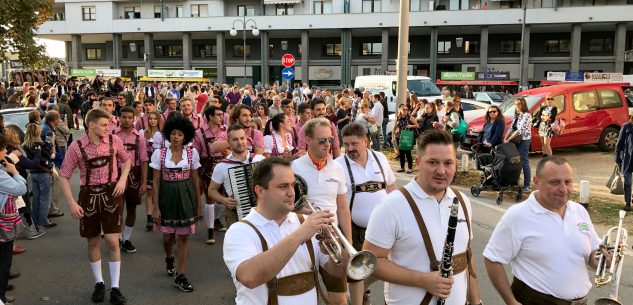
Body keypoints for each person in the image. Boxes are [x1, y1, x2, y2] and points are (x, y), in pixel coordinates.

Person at [364, 129, 482, 305]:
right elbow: (371, 263)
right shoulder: (391, 206)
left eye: (448, 163)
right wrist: (422, 280)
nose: (441, 171)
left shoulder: (462, 201)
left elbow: (466, 258)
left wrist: (475, 301)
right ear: (418, 162)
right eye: (433, 162)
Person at [223, 157, 347, 305]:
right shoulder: (240, 231)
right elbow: (249, 277)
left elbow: (338, 273)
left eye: (292, 185)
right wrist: (301, 234)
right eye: (283, 187)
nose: (292, 192)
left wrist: (337, 250)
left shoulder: (304, 222)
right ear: (260, 191)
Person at [484, 156, 606, 305]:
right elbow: (492, 259)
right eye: (555, 182)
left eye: (567, 182)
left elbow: (592, 256)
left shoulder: (579, 211)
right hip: (535, 300)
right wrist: (511, 302)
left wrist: (605, 259)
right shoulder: (517, 215)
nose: (563, 189)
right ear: (536, 182)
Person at [59, 108, 132, 304]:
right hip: (88, 195)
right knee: (92, 242)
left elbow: (127, 161)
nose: (108, 128)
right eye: (104, 124)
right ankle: (99, 283)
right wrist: (71, 203)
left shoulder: (114, 141)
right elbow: (64, 175)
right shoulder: (76, 147)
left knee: (113, 241)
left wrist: (123, 180)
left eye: (108, 124)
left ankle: (115, 287)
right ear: (91, 125)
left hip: (112, 193)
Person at [335, 123, 397, 304]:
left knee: (391, 266)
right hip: (355, 229)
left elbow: (391, 186)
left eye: (354, 144)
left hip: (384, 228)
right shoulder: (338, 165)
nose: (350, 149)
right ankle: (359, 298)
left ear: (366, 141)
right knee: (355, 272)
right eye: (346, 144)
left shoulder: (380, 158)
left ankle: (364, 288)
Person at [291, 117, 351, 305]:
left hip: (331, 239)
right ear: (308, 140)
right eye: (322, 140)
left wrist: (347, 243)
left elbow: (342, 206)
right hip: (302, 239)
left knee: (339, 299)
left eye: (330, 140)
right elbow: (286, 205)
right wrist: (299, 211)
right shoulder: (294, 167)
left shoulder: (337, 168)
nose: (328, 145)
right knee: (305, 297)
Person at [150, 115, 203, 292]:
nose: (176, 137)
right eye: (173, 133)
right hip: (166, 196)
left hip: (186, 195)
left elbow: (196, 180)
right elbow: (156, 182)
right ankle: (168, 256)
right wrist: (155, 207)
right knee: (167, 237)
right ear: (168, 134)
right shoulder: (160, 153)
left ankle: (181, 275)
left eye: (180, 134)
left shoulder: (191, 153)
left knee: (184, 237)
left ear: (185, 136)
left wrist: (198, 205)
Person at [208, 124, 265, 229]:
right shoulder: (222, 166)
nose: (240, 142)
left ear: (246, 139)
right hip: (235, 213)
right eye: (235, 139)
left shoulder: (259, 160)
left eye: (242, 138)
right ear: (228, 142)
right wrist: (224, 200)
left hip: (262, 212)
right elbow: (211, 191)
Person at [113, 107, 149, 253]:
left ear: (133, 118)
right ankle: (118, 238)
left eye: (129, 117)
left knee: (132, 208)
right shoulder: (112, 135)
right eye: (124, 117)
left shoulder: (139, 137)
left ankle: (126, 239)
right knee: (118, 208)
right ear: (119, 118)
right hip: (116, 174)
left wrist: (144, 181)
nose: (127, 120)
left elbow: (144, 160)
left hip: (134, 174)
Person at [192, 106, 229, 244]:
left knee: (222, 196)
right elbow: (195, 152)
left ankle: (216, 219)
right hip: (206, 166)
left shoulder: (226, 131)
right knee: (209, 197)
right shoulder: (199, 133)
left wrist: (228, 152)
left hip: (223, 163)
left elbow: (231, 148)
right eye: (218, 114)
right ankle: (210, 230)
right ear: (210, 117)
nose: (221, 116)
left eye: (222, 114)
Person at [0, 133, 28, 305]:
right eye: (2, 149)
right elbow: (20, 189)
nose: (4, 152)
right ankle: (1, 297)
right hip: (3, 222)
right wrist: (15, 172)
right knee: (4, 261)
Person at [22, 122, 57, 229]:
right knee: (45, 198)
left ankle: (36, 220)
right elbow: (52, 156)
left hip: (33, 173)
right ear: (37, 131)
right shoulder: (39, 144)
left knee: (36, 198)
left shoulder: (25, 145)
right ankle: (43, 221)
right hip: (44, 172)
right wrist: (52, 143)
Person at [140, 111, 163, 231]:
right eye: (151, 119)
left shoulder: (163, 134)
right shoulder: (143, 133)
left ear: (159, 120)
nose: (153, 121)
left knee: (157, 190)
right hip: (147, 163)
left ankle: (157, 213)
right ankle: (149, 217)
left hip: (159, 164)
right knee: (149, 192)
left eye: (155, 118)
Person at [504, 98, 532, 193]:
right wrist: (505, 137)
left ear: (524, 105)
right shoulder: (517, 115)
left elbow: (520, 130)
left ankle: (527, 185)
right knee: (515, 161)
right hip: (515, 140)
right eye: (516, 104)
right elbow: (512, 127)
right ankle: (515, 182)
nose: (518, 105)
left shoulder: (527, 115)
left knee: (524, 162)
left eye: (520, 104)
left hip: (523, 140)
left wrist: (509, 139)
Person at [393, 104, 419, 173]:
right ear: (400, 110)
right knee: (401, 153)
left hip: (407, 136)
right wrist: (393, 136)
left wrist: (411, 126)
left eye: (406, 109)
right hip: (399, 136)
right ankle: (402, 167)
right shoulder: (398, 117)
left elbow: (417, 125)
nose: (405, 111)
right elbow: (394, 127)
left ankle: (410, 168)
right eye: (403, 109)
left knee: (408, 152)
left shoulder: (410, 117)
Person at [615, 113, 633, 211]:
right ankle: (627, 202)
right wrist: (617, 159)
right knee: (628, 182)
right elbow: (619, 145)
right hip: (627, 160)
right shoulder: (626, 127)